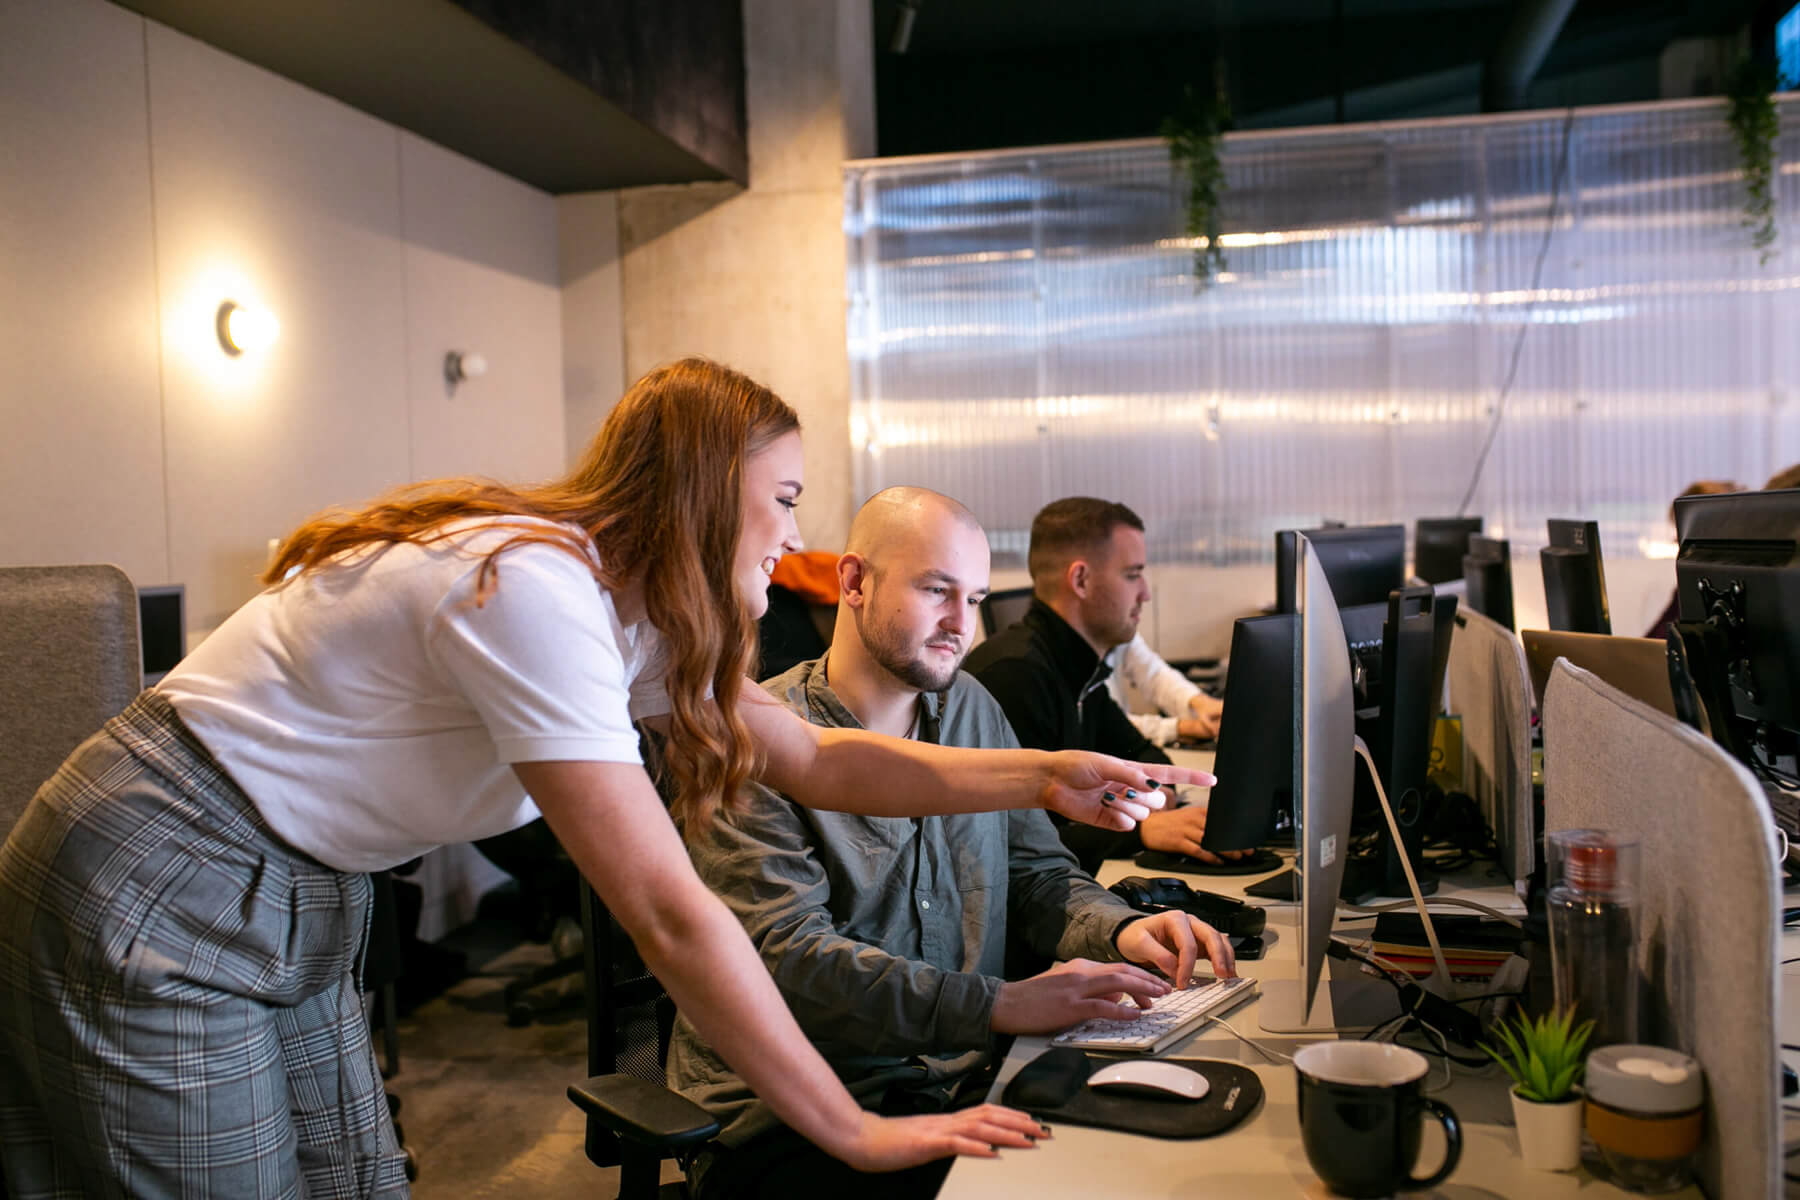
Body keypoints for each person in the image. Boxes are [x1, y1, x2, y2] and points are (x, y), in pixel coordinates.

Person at [0, 360, 1198, 1198]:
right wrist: (853, 1131)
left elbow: (823, 759)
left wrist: (1043, 773)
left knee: (349, 1182)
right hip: (162, 871)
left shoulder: (642, 624)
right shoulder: (536, 591)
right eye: (781, 500)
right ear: (698, 488)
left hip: (307, 888)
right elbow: (672, 915)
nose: (792, 537)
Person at [668, 487, 1234, 1199]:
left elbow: (1035, 872)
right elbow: (791, 967)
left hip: (958, 1081)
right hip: (798, 1115)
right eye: (938, 591)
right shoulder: (755, 738)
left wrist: (1122, 931)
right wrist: (997, 1004)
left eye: (973, 600)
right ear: (854, 582)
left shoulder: (971, 707)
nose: (960, 625)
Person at [964, 498, 1232, 874]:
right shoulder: (1015, 678)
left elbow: (1143, 756)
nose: (1145, 593)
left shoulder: (1076, 667)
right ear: (1081, 580)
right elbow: (1011, 842)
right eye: (1132, 574)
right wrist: (1140, 830)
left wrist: (1152, 800)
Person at [1646, 478, 1741, 638]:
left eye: (1683, 536)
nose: (1679, 546)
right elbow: (1654, 641)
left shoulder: (1732, 590)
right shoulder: (1689, 587)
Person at [1105, 633, 1223, 747]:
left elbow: (1154, 674)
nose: (1140, 611)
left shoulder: (1122, 627)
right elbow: (1107, 724)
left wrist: (1200, 702)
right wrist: (1183, 728)